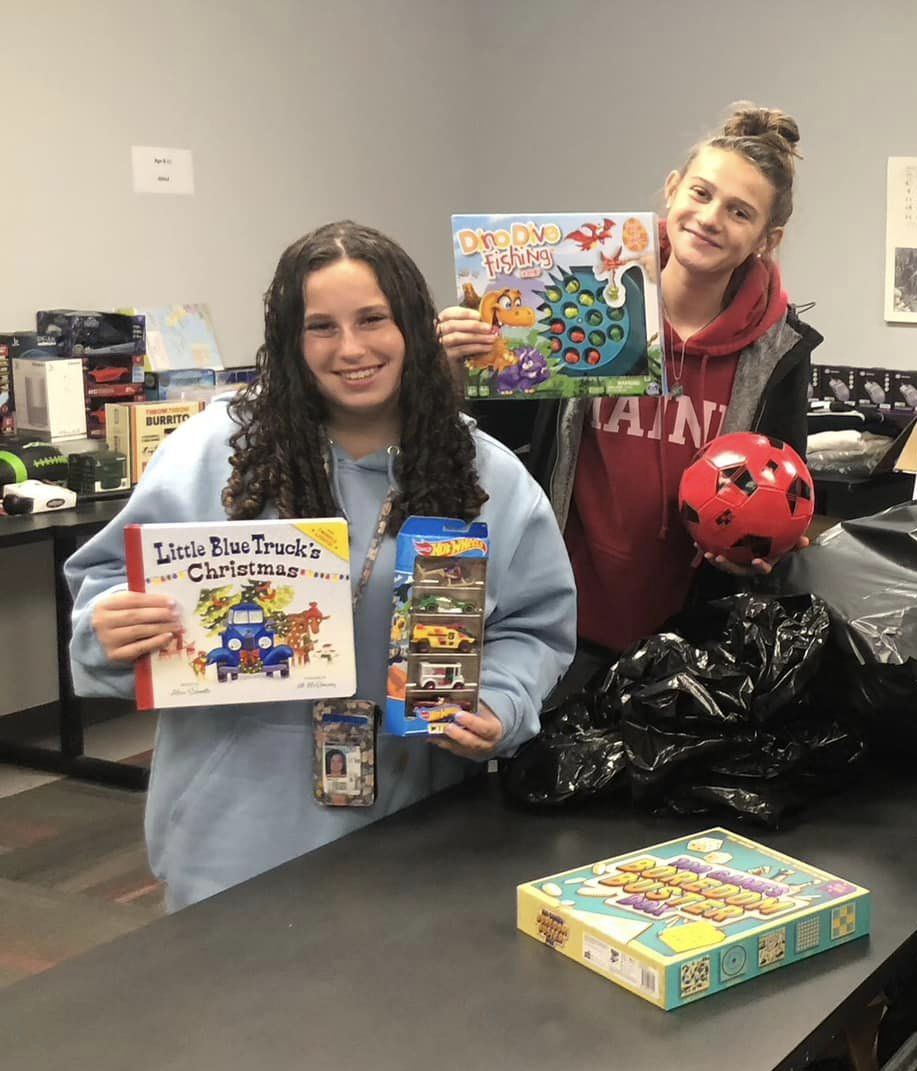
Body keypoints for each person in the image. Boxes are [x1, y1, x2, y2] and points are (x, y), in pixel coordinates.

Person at [68, 221, 577, 910]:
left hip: (418, 831)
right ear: (289, 339)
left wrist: (502, 702)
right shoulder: (215, 449)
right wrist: (108, 628)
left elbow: (533, 626)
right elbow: (105, 588)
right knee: (233, 1013)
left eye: (373, 319)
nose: (351, 349)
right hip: (233, 839)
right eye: (321, 327)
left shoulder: (482, 473)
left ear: (414, 329)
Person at [439, 103, 820, 662]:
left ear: (768, 237)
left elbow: (784, 493)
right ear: (672, 190)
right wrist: (461, 364)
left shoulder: (780, 352)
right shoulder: (591, 299)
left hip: (688, 644)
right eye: (701, 193)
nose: (711, 218)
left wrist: (760, 556)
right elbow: (497, 436)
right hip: (556, 624)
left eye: (741, 212)